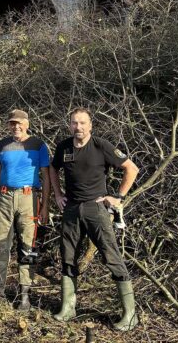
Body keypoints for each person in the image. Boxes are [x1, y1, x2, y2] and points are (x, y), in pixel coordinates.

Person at [49, 107, 140, 331]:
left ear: (90, 125)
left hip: (96, 210)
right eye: (74, 123)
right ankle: (68, 308)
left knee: (112, 256)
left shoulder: (101, 146)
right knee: (68, 256)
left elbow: (131, 168)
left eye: (82, 123)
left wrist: (118, 197)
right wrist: (58, 194)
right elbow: (52, 169)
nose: (78, 127)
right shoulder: (64, 147)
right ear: (69, 125)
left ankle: (130, 314)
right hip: (71, 209)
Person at [0, 109, 50, 311]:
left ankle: (25, 295)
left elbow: (47, 176)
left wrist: (46, 205)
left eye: (19, 123)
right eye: (12, 123)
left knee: (27, 246)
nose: (16, 126)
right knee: (0, 243)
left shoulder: (39, 145)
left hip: (28, 198)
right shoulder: (2, 145)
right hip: (4, 198)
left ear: (27, 124)